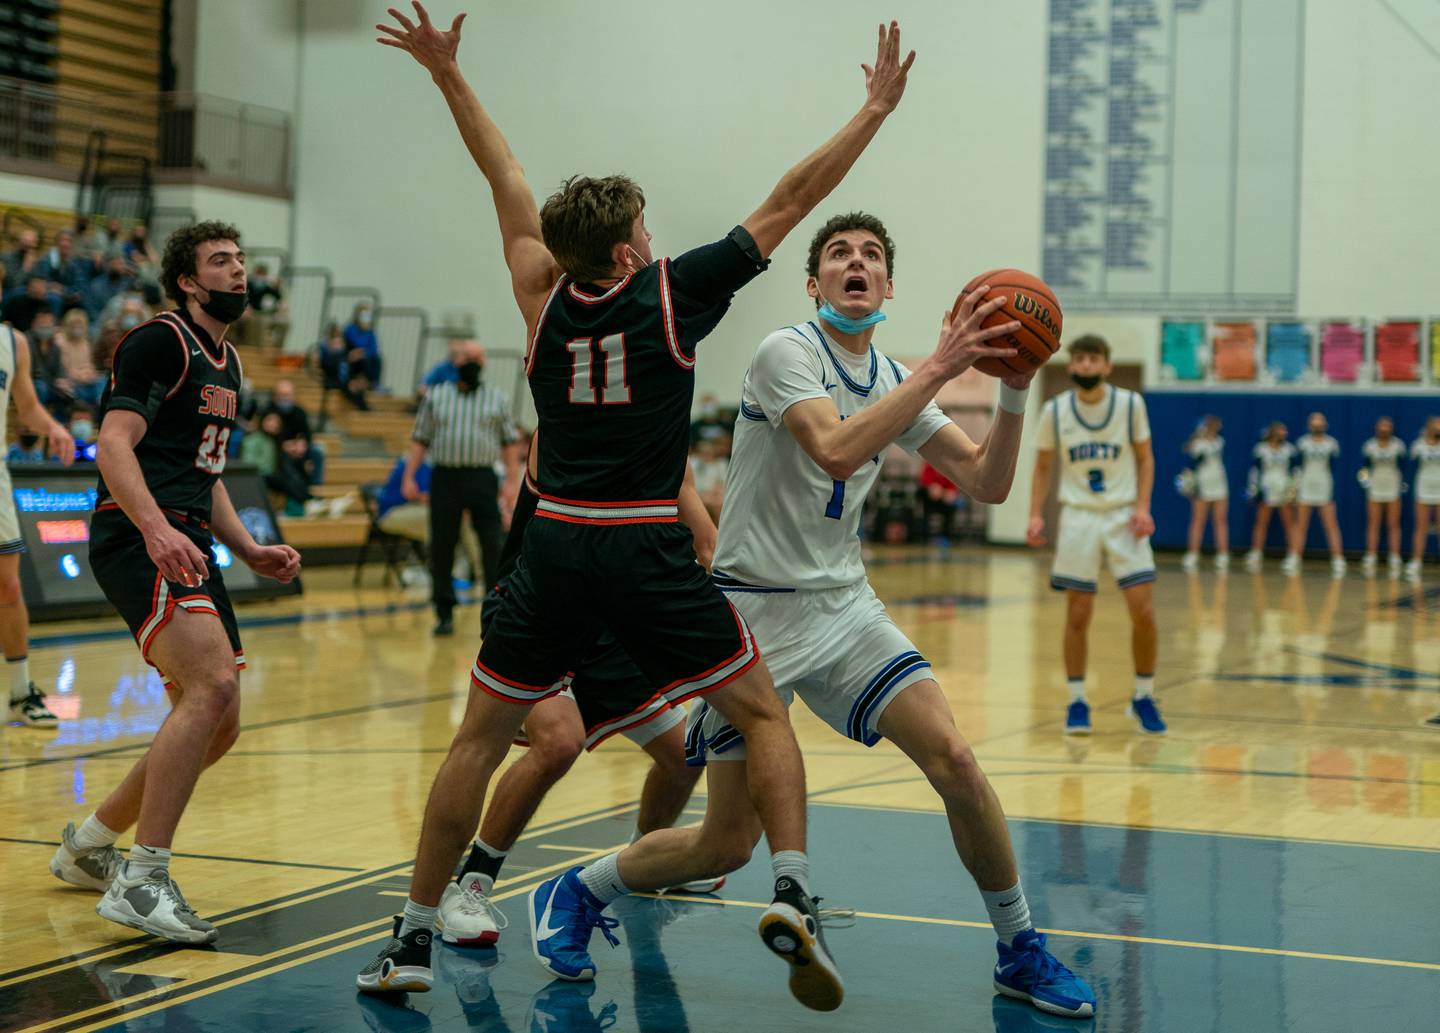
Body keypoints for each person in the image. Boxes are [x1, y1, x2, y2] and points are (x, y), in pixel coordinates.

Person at [359, 5, 912, 1010]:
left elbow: (506, 176)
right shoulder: (670, 293)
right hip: (643, 544)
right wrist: (872, 109)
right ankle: (790, 885)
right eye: (644, 231)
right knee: (756, 711)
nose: (654, 239)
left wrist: (447, 75)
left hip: (554, 544)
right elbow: (795, 196)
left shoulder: (541, 292)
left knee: (477, 743)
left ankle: (409, 937)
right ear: (625, 252)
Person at [660, 212, 1096, 1019]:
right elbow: (834, 447)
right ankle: (582, 890)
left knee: (957, 760)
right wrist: (939, 368)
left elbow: (988, 482)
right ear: (814, 281)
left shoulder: (894, 373)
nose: (854, 264)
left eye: (870, 257)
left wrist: (1014, 385)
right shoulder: (786, 352)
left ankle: (1019, 947)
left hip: (843, 607)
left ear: (888, 286)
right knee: (723, 844)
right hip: (751, 615)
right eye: (838, 254)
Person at [48, 221, 301, 944]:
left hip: (187, 532)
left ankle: (91, 844)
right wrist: (157, 529)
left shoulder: (228, 362)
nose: (239, 271)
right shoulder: (159, 340)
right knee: (212, 685)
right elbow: (115, 443)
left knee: (220, 723)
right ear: (188, 281)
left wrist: (248, 548)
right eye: (221, 262)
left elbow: (207, 474)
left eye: (242, 260)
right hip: (139, 534)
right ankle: (143, 876)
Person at [433, 434, 722, 952]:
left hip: (604, 626)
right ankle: (470, 886)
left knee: (685, 757)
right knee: (558, 743)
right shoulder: (567, 420)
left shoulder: (664, 446)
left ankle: (645, 863)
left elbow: (707, 546)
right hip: (534, 607)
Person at [1026, 335, 1164, 736]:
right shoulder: (1054, 411)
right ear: (1070, 367)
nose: (1086, 365)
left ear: (1107, 365)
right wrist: (1035, 514)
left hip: (1123, 517)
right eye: (1080, 359)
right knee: (1078, 615)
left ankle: (1143, 695)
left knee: (1144, 611)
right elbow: (1042, 467)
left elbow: (1145, 458)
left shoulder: (1130, 405)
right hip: (1079, 518)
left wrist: (1142, 507)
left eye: (1094, 359)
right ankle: (1076, 700)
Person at [403, 339, 521, 634]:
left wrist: (511, 481)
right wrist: (409, 477)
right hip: (445, 477)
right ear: (456, 362)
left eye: (476, 358)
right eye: (466, 357)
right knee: (442, 545)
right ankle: (444, 611)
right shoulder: (436, 397)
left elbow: (509, 443)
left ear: (483, 364)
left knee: (492, 545)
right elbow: (420, 440)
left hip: (482, 477)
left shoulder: (497, 398)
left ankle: (496, 609)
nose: (470, 363)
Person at [0, 320, 76, 726]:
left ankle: (19, 691)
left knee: (8, 585)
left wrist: (53, 427)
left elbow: (25, 405)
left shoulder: (13, 343)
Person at [1286, 412, 1344, 578]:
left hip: (1324, 486)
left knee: (1330, 524)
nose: (1317, 425)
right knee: (1300, 524)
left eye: (1320, 422)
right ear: (1309, 425)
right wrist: (1294, 487)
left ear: (1325, 425)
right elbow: (1297, 467)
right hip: (1306, 485)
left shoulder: (1331, 444)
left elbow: (1334, 467)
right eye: (1314, 422)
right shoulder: (1302, 443)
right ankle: (1294, 557)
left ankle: (1338, 559)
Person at [1243, 421, 1297, 572]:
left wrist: (1293, 490)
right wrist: (1254, 489)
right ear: (1273, 432)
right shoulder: (1261, 449)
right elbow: (1255, 471)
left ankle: (1293, 555)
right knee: (1261, 522)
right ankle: (1256, 553)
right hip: (1266, 489)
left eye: (1284, 431)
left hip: (1284, 490)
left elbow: (1294, 471)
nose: (1284, 433)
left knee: (1289, 522)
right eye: (1281, 430)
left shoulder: (1289, 450)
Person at [1181, 415, 1229, 572]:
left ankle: (1222, 555)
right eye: (1210, 425)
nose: (1214, 427)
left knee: (1220, 520)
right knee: (1198, 520)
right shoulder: (1198, 443)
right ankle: (1192, 554)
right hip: (1202, 484)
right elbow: (1187, 450)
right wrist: (1198, 435)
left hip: (1219, 484)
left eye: (1216, 425)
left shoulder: (1219, 442)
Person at [1359, 416, 1404, 578]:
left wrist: (1401, 485)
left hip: (1393, 489)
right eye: (1382, 426)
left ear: (1391, 428)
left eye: (1387, 426)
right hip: (1374, 490)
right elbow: (1363, 469)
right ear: (1377, 428)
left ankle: (1394, 557)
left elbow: (1403, 467)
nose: (1384, 429)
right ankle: (1371, 556)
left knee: (1393, 524)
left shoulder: (1398, 446)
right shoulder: (1369, 446)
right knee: (1373, 523)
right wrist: (1366, 484)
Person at [262, 380, 325, 489]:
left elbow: (307, 433)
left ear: (293, 396)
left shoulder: (299, 412)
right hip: (278, 448)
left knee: (317, 452)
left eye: (287, 395)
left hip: (297, 447)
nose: (284, 398)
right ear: (275, 396)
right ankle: (297, 487)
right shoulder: (269, 411)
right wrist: (284, 445)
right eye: (281, 395)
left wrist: (302, 444)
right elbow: (267, 435)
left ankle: (316, 486)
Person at [1407, 415, 1440, 582]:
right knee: (1421, 526)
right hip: (1424, 489)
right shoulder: (1419, 445)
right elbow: (1411, 463)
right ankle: (1416, 562)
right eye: (1435, 426)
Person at [53, 310, 107, 407]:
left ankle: (101, 404)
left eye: (80, 325)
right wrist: (80, 376)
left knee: (102, 381)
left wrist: (89, 373)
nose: (77, 328)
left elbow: (89, 364)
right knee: (77, 391)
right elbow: (64, 367)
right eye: (74, 325)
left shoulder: (85, 343)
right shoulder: (60, 341)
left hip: (85, 378)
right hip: (70, 380)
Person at [317, 322, 369, 410]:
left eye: (340, 343)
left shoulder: (344, 357)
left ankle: (364, 409)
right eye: (336, 343)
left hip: (344, 382)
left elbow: (348, 372)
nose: (339, 345)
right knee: (349, 387)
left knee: (358, 385)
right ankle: (363, 409)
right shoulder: (327, 355)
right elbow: (330, 369)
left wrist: (354, 380)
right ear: (330, 343)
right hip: (333, 381)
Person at [343, 302, 382, 388]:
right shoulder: (350, 328)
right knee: (363, 361)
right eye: (364, 316)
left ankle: (374, 384)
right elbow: (355, 343)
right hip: (352, 357)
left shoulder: (370, 332)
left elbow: (374, 349)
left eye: (368, 316)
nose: (366, 319)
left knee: (377, 360)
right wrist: (360, 352)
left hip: (363, 356)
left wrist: (364, 352)